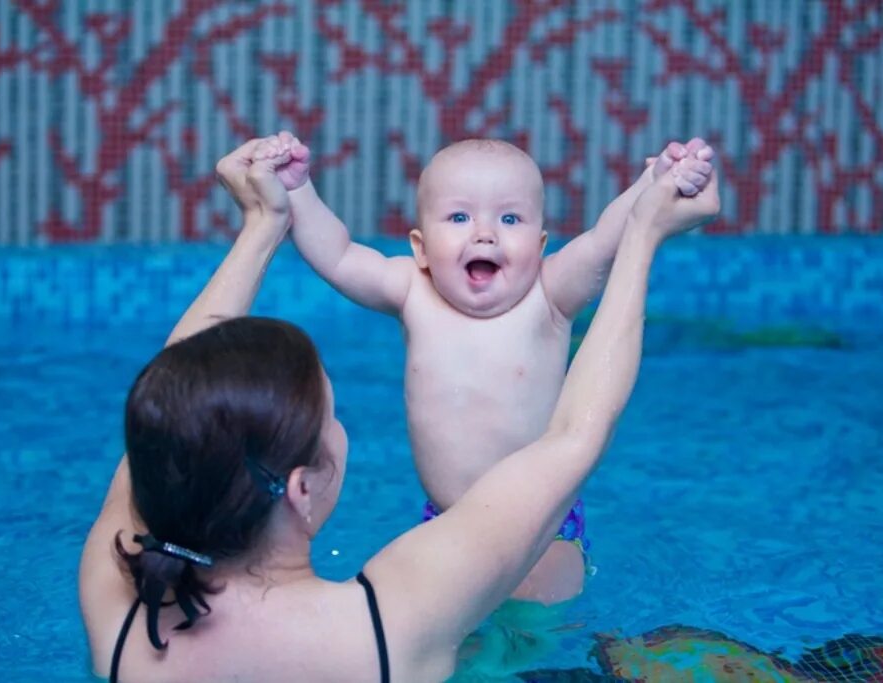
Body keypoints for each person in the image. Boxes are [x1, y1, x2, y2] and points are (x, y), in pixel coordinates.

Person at [78, 133, 719, 682]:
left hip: (534, 542)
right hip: (478, 533)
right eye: (332, 419)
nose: (486, 233)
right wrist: (648, 231)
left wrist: (260, 226)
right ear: (302, 489)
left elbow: (175, 400)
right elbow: (577, 433)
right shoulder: (388, 623)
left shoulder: (120, 619)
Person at [281, 131, 716, 602]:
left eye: (510, 218)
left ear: (541, 243)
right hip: (446, 522)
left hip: (542, 529)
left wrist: (651, 183)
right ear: (421, 248)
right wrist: (297, 188)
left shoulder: (549, 295)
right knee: (430, 620)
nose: (485, 233)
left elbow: (605, 241)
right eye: (459, 216)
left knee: (525, 612)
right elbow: (338, 255)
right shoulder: (411, 290)